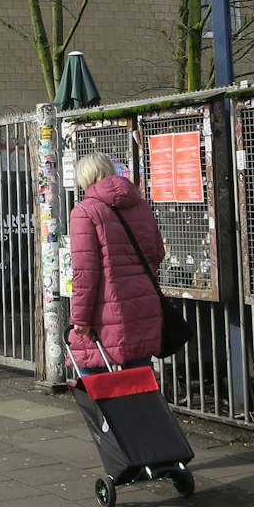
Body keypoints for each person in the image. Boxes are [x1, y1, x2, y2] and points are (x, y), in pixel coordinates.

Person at [65, 152, 166, 376]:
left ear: (84, 177)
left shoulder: (84, 212)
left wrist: (80, 318)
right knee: (138, 381)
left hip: (104, 310)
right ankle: (142, 412)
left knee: (92, 373)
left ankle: (104, 414)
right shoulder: (141, 206)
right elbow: (158, 253)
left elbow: (85, 273)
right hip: (142, 302)